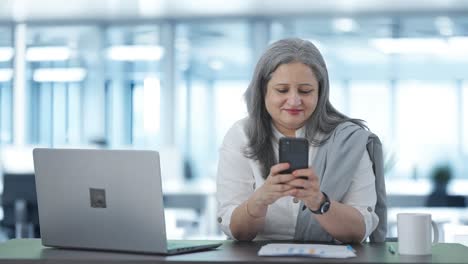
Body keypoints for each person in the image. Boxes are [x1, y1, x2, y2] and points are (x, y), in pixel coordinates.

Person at [216, 38, 383, 243]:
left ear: (320, 92)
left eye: (305, 91)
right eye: (282, 90)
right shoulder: (241, 135)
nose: (294, 101)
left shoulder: (349, 140)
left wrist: (319, 202)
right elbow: (236, 230)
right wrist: (259, 200)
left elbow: (359, 231)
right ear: (263, 90)